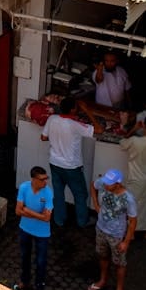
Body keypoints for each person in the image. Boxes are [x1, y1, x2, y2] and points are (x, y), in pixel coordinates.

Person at [41, 97, 102, 228]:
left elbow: (43, 137)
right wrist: (87, 110)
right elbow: (99, 130)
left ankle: (59, 220)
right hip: (71, 167)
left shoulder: (52, 119)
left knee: (58, 193)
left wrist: (58, 140)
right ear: (73, 109)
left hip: (55, 163)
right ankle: (82, 221)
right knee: (80, 194)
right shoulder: (75, 125)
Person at [89, 169, 138, 290]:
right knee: (102, 256)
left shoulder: (128, 199)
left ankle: (119, 289)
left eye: (109, 184)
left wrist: (126, 242)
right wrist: (96, 204)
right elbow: (93, 185)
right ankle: (103, 280)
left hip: (116, 235)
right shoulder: (103, 183)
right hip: (100, 229)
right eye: (105, 182)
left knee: (119, 263)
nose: (105, 185)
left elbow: (133, 221)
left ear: (118, 184)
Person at [14, 166, 54, 290]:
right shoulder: (24, 188)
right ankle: (24, 281)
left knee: (41, 262)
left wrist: (27, 210)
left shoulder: (48, 193)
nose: (45, 182)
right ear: (34, 179)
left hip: (42, 234)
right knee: (25, 256)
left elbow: (47, 218)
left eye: (46, 179)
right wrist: (38, 215)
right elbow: (18, 211)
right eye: (42, 179)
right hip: (25, 229)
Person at [120, 123, 146, 231]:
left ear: (144, 126)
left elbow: (122, 143)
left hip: (136, 179)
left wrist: (134, 129)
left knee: (132, 206)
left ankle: (131, 233)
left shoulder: (135, 141)